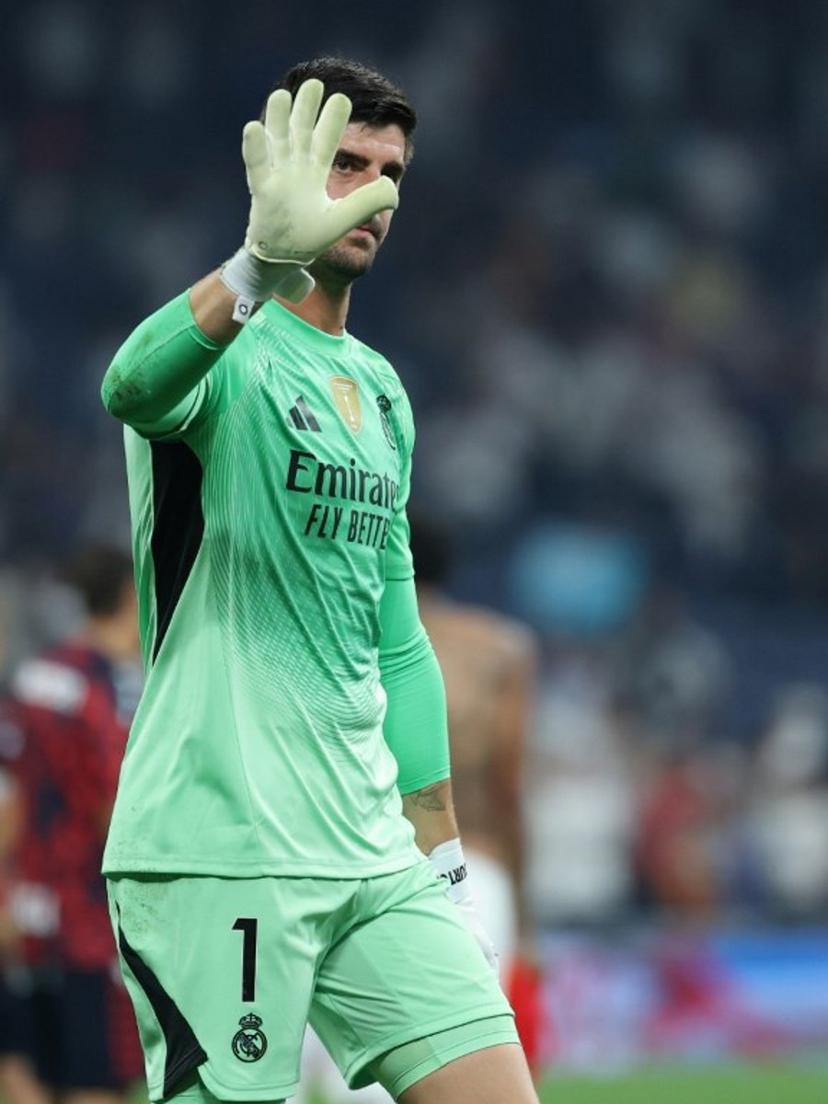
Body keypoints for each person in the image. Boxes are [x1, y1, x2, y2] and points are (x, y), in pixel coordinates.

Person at [100, 57, 537, 1104]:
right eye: (346, 163)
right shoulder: (227, 349)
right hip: (221, 848)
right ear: (284, 168)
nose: (375, 194)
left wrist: (441, 868)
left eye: (392, 172)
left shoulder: (381, 391)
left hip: (370, 855)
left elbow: (397, 641)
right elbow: (129, 385)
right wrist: (254, 264)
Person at [0, 545, 143, 1104]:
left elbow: (9, 794)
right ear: (133, 598)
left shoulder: (37, 675)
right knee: (95, 1082)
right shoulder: (118, 691)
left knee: (25, 1072)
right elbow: (118, 807)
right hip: (91, 920)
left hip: (30, 912)